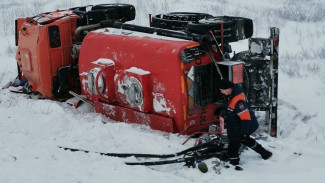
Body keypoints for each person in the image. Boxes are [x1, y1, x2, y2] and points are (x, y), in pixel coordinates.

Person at [216, 79, 272, 169]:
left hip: (241, 126)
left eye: (222, 89)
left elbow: (245, 118)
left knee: (234, 144)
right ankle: (265, 153)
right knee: (246, 140)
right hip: (236, 125)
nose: (221, 91)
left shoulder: (239, 102)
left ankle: (234, 163)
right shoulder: (232, 95)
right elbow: (230, 105)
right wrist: (222, 108)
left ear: (229, 88)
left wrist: (244, 132)